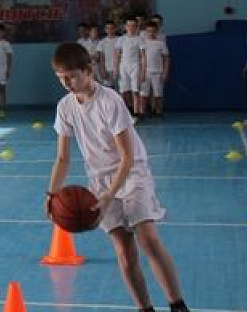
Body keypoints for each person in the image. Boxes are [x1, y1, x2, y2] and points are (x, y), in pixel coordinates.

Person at [47, 43, 191, 312]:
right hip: (100, 181)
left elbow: (127, 156)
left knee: (147, 238)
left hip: (131, 173)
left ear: (88, 70)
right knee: (124, 252)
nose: (67, 83)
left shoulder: (109, 101)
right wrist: (52, 194)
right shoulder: (65, 107)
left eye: (72, 76)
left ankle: (177, 304)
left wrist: (108, 196)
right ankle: (144, 308)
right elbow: (63, 159)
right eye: (61, 78)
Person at [113, 18, 147, 119]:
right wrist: (115, 69)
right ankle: (124, 113)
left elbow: (143, 57)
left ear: (136, 27)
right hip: (123, 66)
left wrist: (143, 72)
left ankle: (136, 113)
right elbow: (116, 55)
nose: (131, 28)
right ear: (125, 27)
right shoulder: (121, 39)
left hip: (135, 66)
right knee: (123, 91)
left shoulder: (139, 39)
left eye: (133, 25)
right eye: (129, 25)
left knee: (135, 91)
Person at [140, 22, 170, 119]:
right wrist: (141, 72)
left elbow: (166, 58)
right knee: (143, 94)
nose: (151, 33)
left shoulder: (160, 43)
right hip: (145, 72)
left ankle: (158, 112)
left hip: (157, 72)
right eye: (149, 31)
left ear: (156, 32)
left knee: (158, 94)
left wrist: (165, 72)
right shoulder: (142, 43)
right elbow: (138, 58)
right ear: (146, 32)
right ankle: (142, 113)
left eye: (153, 31)